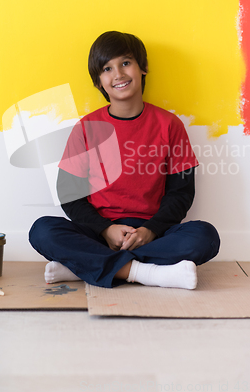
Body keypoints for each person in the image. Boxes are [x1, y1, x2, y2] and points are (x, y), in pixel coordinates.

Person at [29, 31, 220, 289]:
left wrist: (149, 231)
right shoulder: (86, 128)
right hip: (98, 233)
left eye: (126, 63)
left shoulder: (170, 125)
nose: (118, 74)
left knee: (205, 236)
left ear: (143, 68)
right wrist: (106, 230)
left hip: (152, 233)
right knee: (42, 230)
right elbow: (69, 195)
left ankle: (84, 266)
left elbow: (181, 194)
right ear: (99, 82)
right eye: (107, 68)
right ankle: (144, 272)